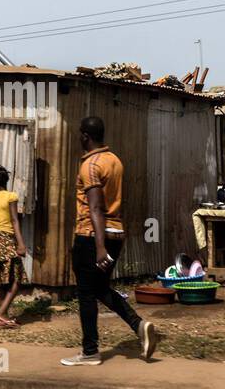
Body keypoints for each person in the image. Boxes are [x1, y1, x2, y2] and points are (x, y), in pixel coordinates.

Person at [61, 116, 158, 367]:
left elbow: (95, 208)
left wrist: (99, 247)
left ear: (85, 136)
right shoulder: (114, 160)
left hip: (92, 237)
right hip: (116, 233)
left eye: (80, 134)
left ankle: (90, 351)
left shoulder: (90, 165)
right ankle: (139, 326)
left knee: (85, 293)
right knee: (101, 289)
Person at [0, 165, 28, 327]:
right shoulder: (11, 196)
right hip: (7, 238)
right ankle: (2, 312)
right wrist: (21, 244)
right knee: (18, 278)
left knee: (0, 277)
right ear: (6, 181)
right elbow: (15, 221)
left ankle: (4, 314)